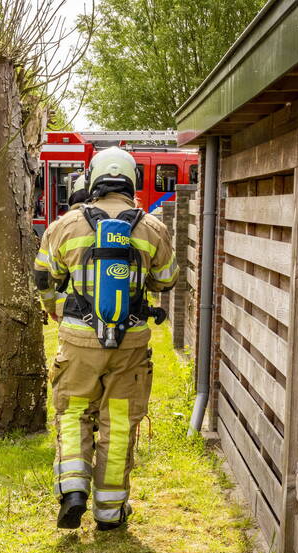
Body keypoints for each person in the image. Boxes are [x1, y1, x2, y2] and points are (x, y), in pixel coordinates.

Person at [33, 147, 177, 531]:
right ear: (132, 180)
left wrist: (53, 306)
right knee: (119, 422)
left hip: (78, 340)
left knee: (73, 413)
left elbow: (44, 276)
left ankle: (73, 489)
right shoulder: (152, 227)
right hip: (130, 343)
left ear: (93, 178)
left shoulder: (65, 225)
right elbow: (167, 280)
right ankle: (110, 512)